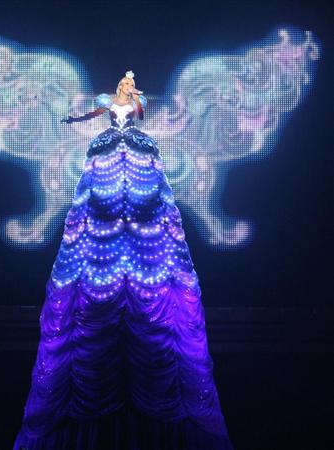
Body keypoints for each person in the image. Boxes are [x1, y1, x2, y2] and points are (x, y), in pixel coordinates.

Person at [13, 70, 234, 450]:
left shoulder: (137, 107)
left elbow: (143, 115)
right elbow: (93, 115)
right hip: (107, 161)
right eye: (126, 85)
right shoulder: (105, 103)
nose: (128, 88)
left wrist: (137, 103)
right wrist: (76, 119)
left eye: (131, 85)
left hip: (135, 156)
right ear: (119, 86)